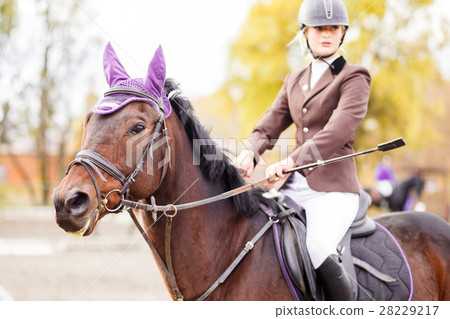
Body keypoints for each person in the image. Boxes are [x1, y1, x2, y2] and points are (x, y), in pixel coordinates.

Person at [235, 0, 371, 300]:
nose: (327, 35)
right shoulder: (294, 79)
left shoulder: (354, 77)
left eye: (334, 28)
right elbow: (270, 123)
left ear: (342, 33)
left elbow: (338, 131)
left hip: (334, 190)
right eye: (319, 29)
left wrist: (291, 160)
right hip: (295, 186)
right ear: (306, 33)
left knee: (317, 247)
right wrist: (250, 152)